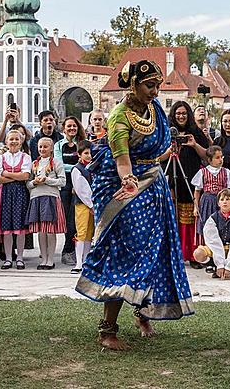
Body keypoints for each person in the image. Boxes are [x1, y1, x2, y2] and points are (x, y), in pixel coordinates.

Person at [75, 60, 193, 351]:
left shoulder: (155, 110)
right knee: (125, 251)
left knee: (155, 250)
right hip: (123, 189)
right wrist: (128, 181)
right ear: (133, 84)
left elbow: (155, 151)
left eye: (157, 86)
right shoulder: (118, 117)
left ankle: (142, 311)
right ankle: (108, 330)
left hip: (153, 185)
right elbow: (122, 159)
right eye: (149, 86)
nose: (155, 92)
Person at [167, 101, 211, 267]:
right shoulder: (168, 132)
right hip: (173, 178)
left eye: (184, 113)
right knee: (174, 219)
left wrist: (194, 144)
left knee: (191, 220)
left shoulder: (195, 132)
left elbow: (207, 155)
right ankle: (176, 255)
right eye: (178, 113)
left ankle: (193, 255)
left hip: (191, 179)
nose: (181, 116)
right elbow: (161, 158)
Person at [192, 146, 230, 269]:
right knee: (208, 229)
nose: (220, 160)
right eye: (217, 158)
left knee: (222, 229)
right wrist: (196, 207)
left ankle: (222, 258)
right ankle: (209, 260)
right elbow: (197, 191)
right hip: (207, 202)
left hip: (222, 203)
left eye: (221, 157)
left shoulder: (226, 172)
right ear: (210, 159)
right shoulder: (203, 172)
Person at [193, 189, 230, 278]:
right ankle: (215, 267)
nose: (224, 202)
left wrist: (229, 266)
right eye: (222, 200)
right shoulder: (212, 219)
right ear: (218, 203)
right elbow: (213, 242)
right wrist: (220, 265)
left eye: (227, 199)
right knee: (198, 254)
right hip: (217, 248)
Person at [0, 129, 32, 269]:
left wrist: (6, 174)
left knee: (20, 228)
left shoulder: (26, 157)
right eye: (11, 139)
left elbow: (26, 176)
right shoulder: (0, 158)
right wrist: (16, 176)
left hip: (20, 194)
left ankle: (20, 257)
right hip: (5, 194)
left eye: (17, 139)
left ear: (21, 141)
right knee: (7, 228)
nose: (14, 141)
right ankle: (8, 258)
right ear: (6, 141)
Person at [26, 137, 67, 270]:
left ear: (51, 148)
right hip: (36, 197)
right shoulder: (34, 163)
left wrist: (47, 180)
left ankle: (50, 259)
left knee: (50, 230)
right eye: (40, 147)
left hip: (50, 197)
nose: (42, 149)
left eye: (45, 147)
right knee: (41, 231)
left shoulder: (56, 162)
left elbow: (62, 181)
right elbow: (28, 183)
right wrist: (35, 182)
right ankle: (43, 258)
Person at [55, 116, 85, 267]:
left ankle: (74, 250)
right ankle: (67, 250)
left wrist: (76, 168)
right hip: (66, 184)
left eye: (74, 126)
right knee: (69, 219)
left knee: (77, 217)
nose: (72, 128)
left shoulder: (81, 144)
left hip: (80, 182)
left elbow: (86, 161)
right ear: (63, 128)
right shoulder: (59, 145)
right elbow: (59, 164)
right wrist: (76, 167)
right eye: (69, 126)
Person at [70, 140, 95, 274]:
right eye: (86, 153)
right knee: (81, 232)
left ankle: (86, 260)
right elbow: (81, 189)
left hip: (92, 205)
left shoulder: (93, 167)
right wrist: (90, 204)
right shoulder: (77, 169)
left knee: (89, 233)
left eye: (90, 153)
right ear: (79, 154)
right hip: (82, 204)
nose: (89, 155)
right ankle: (78, 262)